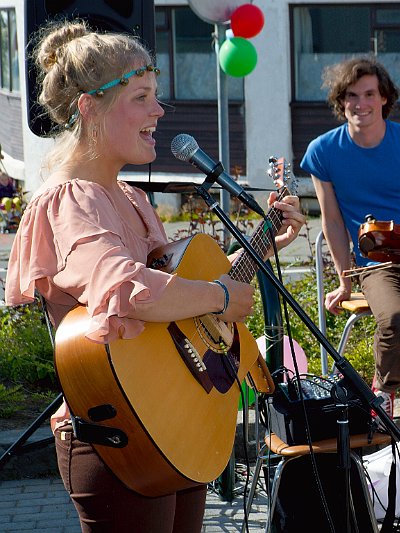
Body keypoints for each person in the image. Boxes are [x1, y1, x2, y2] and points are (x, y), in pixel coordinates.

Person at [4, 21, 304, 532]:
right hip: (119, 431)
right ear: (89, 108)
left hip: (170, 420)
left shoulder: (131, 197)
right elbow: (126, 288)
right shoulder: (71, 198)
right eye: (142, 97)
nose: (159, 111)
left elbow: (174, 292)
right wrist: (217, 294)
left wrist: (266, 242)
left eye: (157, 97)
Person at [300, 56, 400, 519]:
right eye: (351, 96)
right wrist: (346, 275)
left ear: (384, 98)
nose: (360, 103)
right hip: (376, 261)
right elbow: (330, 219)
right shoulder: (324, 151)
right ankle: (381, 392)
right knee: (396, 318)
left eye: (369, 94)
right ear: (340, 102)